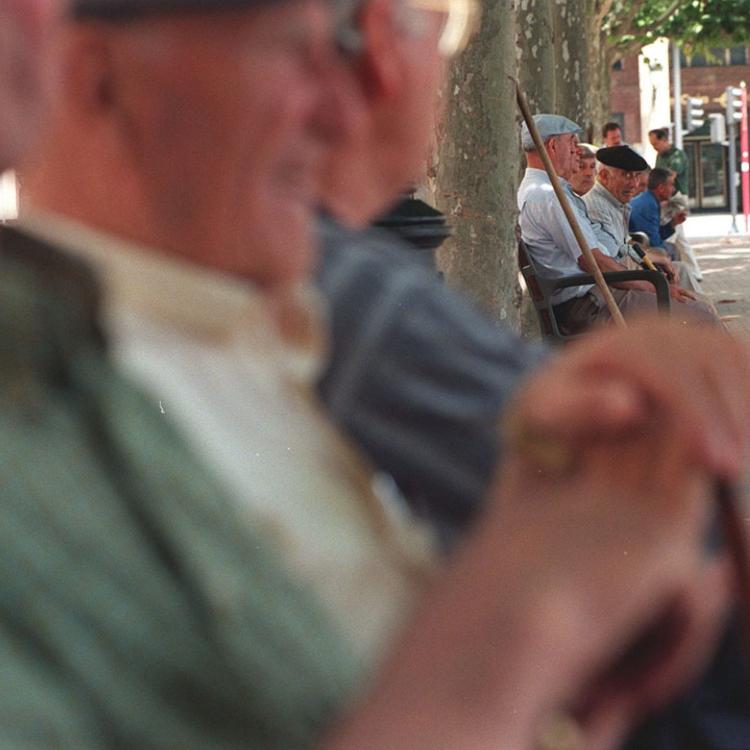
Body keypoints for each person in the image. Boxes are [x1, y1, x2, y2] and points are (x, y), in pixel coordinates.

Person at [2, 1, 749, 749]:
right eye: (294, 51)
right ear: (83, 70)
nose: (349, 101)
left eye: (378, 34)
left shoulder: (263, 326)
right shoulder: (81, 396)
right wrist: (530, 610)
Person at [517, 114, 709, 334]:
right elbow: (596, 262)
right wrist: (658, 289)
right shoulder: (549, 196)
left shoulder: (543, 191)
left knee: (694, 309)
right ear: (552, 145)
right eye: (572, 142)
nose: (576, 150)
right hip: (588, 304)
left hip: (591, 295)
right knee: (700, 318)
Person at [585, 146, 703, 295]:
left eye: (636, 176)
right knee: (691, 300)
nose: (634, 184)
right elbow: (615, 257)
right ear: (604, 176)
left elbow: (625, 246)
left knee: (682, 271)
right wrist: (657, 281)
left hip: (625, 273)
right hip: (613, 285)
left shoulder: (616, 203)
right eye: (627, 175)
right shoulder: (596, 206)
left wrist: (656, 259)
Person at [649, 127, 703, 281]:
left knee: (673, 235)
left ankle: (679, 270)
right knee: (680, 239)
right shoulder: (660, 155)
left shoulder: (677, 155)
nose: (655, 148)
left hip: (675, 198)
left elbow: (669, 178)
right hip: (665, 198)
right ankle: (694, 273)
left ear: (665, 140)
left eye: (656, 144)